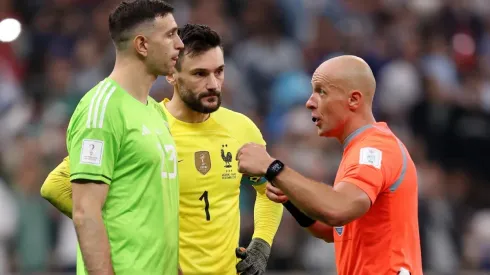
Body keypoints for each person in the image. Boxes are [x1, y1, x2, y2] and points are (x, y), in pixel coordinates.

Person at [41, 24, 283, 275]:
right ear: (171, 74)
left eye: (219, 72)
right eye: (199, 74)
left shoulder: (241, 128)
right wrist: (131, 238)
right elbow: (56, 186)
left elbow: (270, 190)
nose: (213, 84)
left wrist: (261, 244)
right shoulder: (144, 126)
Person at [236, 55, 423, 275]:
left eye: (321, 91)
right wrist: (290, 197)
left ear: (353, 100)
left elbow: (337, 209)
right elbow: (333, 230)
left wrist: (273, 167)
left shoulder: (374, 150)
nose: (309, 102)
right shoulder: (358, 151)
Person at [51, 1, 184, 274]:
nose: (180, 44)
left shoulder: (154, 111)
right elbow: (85, 212)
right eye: (170, 34)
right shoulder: (101, 110)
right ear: (142, 45)